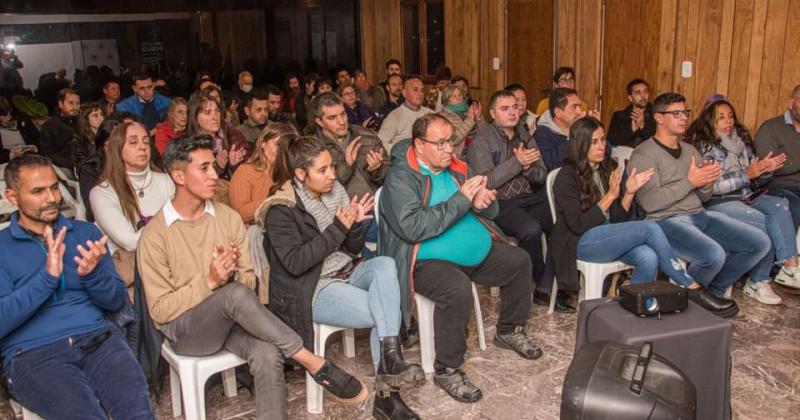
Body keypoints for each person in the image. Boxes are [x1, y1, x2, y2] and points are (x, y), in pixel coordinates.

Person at [379, 114, 542, 403]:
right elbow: (413, 227)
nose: (449, 149)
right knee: (456, 289)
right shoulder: (401, 177)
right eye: (440, 143)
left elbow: (480, 207)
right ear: (418, 144)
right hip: (426, 260)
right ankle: (448, 369)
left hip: (476, 248)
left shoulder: (456, 168)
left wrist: (483, 203)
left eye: (451, 141)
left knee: (519, 261)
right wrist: (463, 201)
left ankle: (509, 330)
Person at [262, 135, 424, 420]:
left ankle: (390, 358)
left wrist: (355, 226)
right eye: (322, 170)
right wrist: (340, 226)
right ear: (300, 174)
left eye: (332, 168)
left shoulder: (335, 191)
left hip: (347, 269)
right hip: (314, 286)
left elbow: (349, 248)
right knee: (383, 311)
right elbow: (296, 263)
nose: (332, 176)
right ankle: (388, 397)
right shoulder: (281, 209)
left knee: (385, 264)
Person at [0, 154, 155, 419]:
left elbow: (117, 302)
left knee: (138, 414)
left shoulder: (85, 234)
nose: (51, 198)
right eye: (38, 191)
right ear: (12, 197)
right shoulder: (2, 248)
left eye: (53, 187)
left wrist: (92, 275)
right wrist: (46, 279)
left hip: (98, 339)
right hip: (34, 354)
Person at [628, 92, 772, 317]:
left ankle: (709, 293)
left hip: (699, 214)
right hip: (665, 221)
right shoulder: (644, 154)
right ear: (658, 118)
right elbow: (650, 204)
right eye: (676, 113)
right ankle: (692, 300)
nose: (684, 118)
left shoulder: (690, 150)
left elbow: (704, 197)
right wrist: (690, 182)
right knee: (713, 254)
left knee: (759, 243)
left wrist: (707, 181)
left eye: (685, 112)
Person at [553, 116, 695, 291]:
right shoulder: (566, 176)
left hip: (606, 235)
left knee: (648, 256)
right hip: (579, 242)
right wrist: (610, 197)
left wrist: (629, 192)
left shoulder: (607, 167)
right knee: (649, 227)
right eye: (594, 142)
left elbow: (618, 219)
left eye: (603, 139)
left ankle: (637, 308)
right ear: (580, 144)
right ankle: (687, 283)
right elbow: (577, 225)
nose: (601, 146)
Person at [685, 95, 800, 302]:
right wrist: (747, 173)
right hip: (719, 201)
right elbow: (712, 186)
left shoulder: (740, 142)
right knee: (766, 225)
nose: (728, 121)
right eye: (721, 117)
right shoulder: (706, 147)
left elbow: (754, 181)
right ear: (710, 121)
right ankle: (758, 281)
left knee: (779, 205)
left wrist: (765, 170)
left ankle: (790, 267)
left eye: (730, 116)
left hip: (745, 196)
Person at [468, 90, 568, 312]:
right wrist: (517, 162)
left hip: (529, 197)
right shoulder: (481, 141)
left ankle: (547, 284)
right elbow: (486, 182)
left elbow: (541, 174)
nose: (512, 112)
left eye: (514, 107)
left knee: (563, 221)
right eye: (505, 109)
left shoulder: (525, 136)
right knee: (531, 230)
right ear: (492, 113)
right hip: (499, 203)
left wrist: (527, 168)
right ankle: (541, 283)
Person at [90, 121, 174, 290]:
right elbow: (130, 242)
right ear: (117, 149)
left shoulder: (165, 181)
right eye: (134, 142)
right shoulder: (101, 193)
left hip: (173, 261)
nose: (143, 147)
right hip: (135, 277)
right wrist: (170, 218)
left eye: (145, 141)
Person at [312, 92, 389, 199]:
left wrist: (377, 170)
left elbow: (389, 175)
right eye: (332, 118)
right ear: (319, 122)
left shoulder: (366, 135)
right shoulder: (314, 148)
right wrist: (347, 165)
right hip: (344, 211)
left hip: (378, 203)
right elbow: (320, 190)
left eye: (343, 114)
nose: (342, 122)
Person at [230, 123, 296, 224]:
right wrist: (274, 200)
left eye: (285, 147)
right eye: (277, 144)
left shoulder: (291, 172)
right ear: (263, 143)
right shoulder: (245, 172)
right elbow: (240, 213)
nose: (281, 151)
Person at [754, 84, 800, 229]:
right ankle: (787, 251)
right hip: (779, 187)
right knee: (793, 204)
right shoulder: (770, 128)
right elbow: (768, 168)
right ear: (791, 104)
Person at [186, 91, 249, 181]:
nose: (215, 117)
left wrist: (233, 165)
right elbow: (192, 181)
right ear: (195, 118)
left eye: (217, 111)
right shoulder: (187, 146)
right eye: (208, 112)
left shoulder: (233, 136)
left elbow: (248, 174)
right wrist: (218, 167)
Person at [378, 76, 433, 155]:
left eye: (422, 90)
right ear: (404, 93)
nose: (420, 93)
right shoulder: (394, 117)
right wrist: (401, 153)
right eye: (415, 89)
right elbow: (380, 142)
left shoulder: (431, 114)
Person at [535, 88, 585, 170]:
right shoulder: (542, 134)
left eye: (580, 106)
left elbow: (605, 155)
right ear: (558, 112)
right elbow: (550, 165)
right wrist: (574, 136)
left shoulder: (583, 128)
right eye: (574, 107)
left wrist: (595, 129)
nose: (580, 112)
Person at [39, 88, 80, 174]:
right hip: (63, 167)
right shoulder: (50, 126)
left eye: (77, 103)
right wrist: (72, 164)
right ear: (60, 104)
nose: (75, 107)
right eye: (70, 103)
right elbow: (47, 154)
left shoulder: (83, 122)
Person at [607, 78, 656, 148]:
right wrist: (631, 131)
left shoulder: (656, 114)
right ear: (630, 98)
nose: (643, 96)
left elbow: (660, 142)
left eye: (645, 92)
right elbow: (611, 143)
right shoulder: (619, 116)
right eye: (638, 93)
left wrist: (643, 126)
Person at [438, 84, 483, 158]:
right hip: (458, 157)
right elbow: (453, 140)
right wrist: (470, 120)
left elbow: (484, 133)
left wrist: (479, 118)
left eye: (460, 95)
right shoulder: (442, 116)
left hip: (477, 153)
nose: (458, 98)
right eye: (454, 96)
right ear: (447, 99)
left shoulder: (468, 110)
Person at [71, 102, 105, 183]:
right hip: (93, 177)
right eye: (95, 115)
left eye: (101, 114)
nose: (101, 118)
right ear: (85, 119)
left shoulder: (108, 135)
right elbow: (82, 168)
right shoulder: (79, 143)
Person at [0, 96, 39, 164]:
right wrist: (11, 154)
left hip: (29, 156)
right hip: (7, 161)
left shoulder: (22, 119)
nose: (8, 117)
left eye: (9, 113)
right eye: (4, 115)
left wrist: (34, 148)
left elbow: (38, 139)